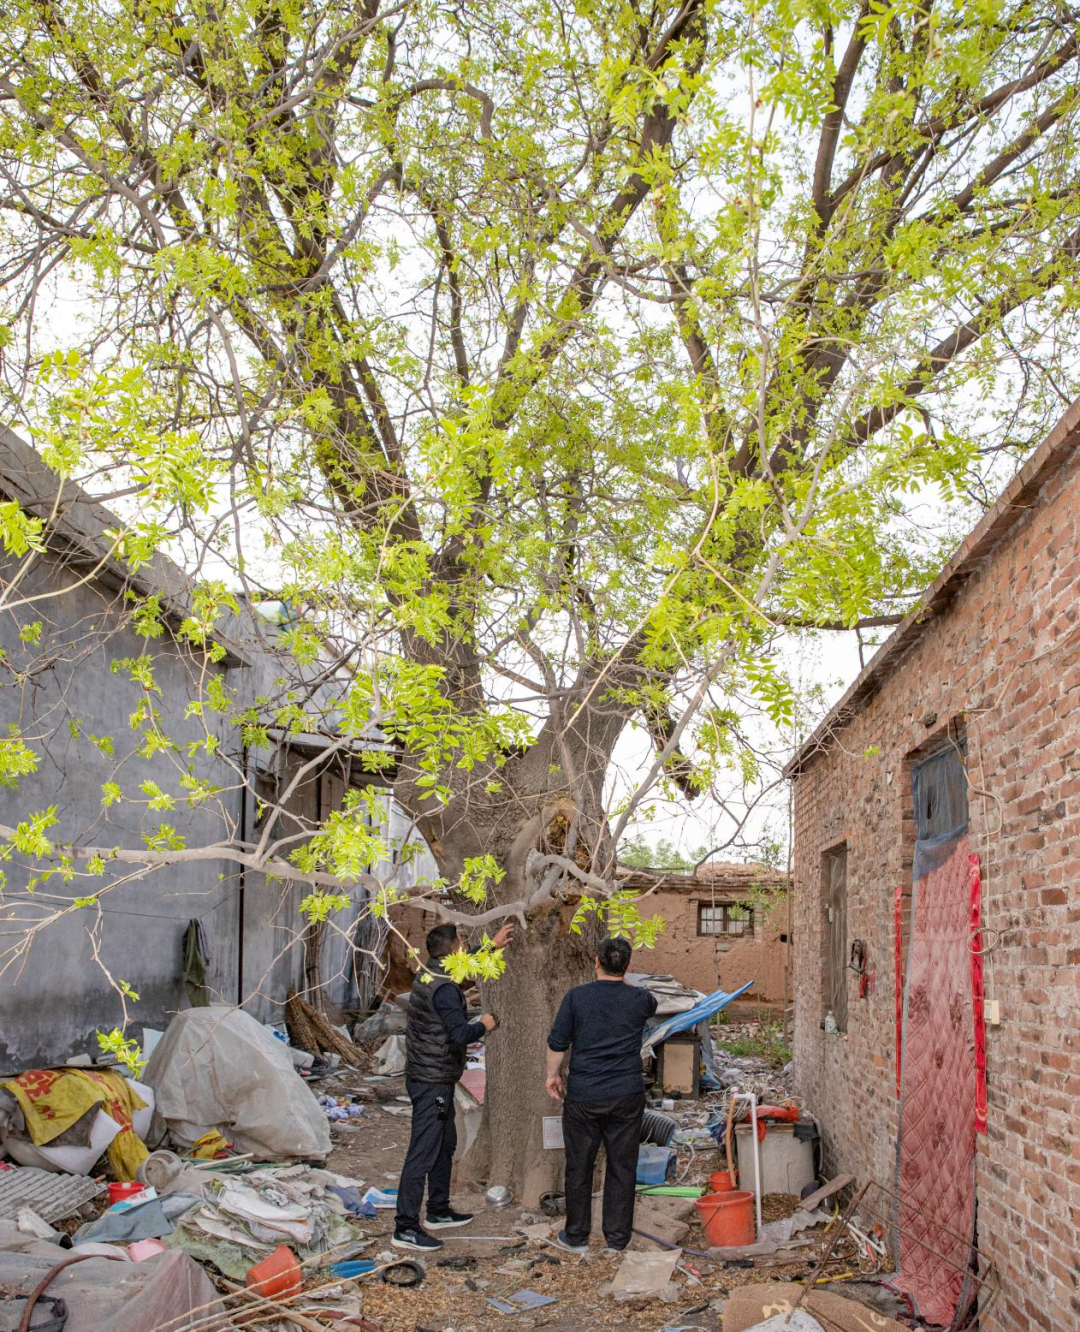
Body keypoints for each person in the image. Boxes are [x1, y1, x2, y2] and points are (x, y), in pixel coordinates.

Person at [392, 920, 514, 1252]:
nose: (465, 944)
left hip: (433, 1075)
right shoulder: (444, 990)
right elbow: (460, 1033)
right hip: (431, 1082)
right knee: (423, 1151)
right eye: (462, 941)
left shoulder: (431, 971)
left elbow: (467, 960)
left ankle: (438, 1210)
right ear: (453, 950)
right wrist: (484, 1024)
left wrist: (492, 946)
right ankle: (405, 1227)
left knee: (446, 1144)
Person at [545, 936, 658, 1253]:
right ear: (628, 965)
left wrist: (552, 1075)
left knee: (579, 1165)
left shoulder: (576, 998)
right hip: (626, 1094)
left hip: (584, 1094)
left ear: (596, 962)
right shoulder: (641, 999)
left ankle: (577, 1235)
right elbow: (650, 1005)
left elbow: (557, 1042)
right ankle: (617, 1238)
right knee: (623, 1165)